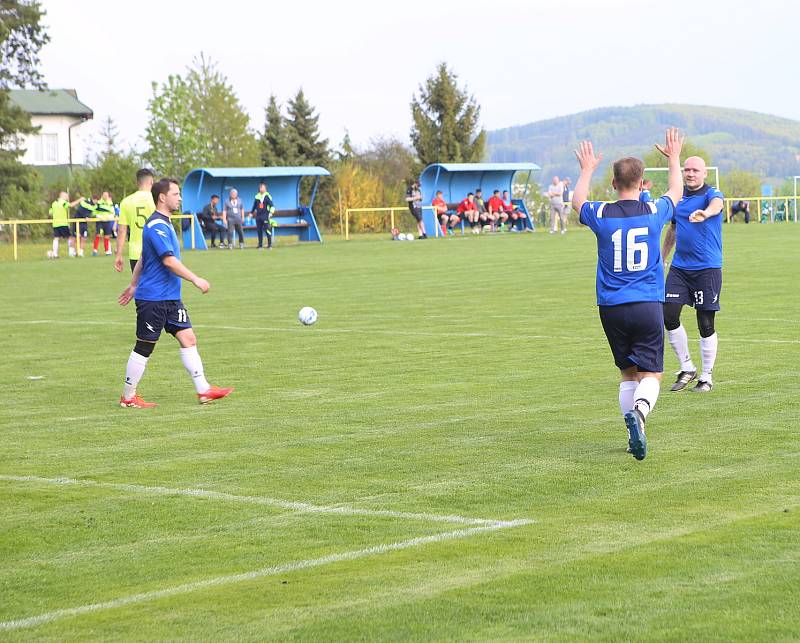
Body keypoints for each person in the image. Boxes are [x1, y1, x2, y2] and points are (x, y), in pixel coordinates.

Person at [571, 128, 684, 461]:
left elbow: (577, 202)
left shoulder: (602, 214)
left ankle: (633, 428)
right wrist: (674, 157)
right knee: (653, 374)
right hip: (647, 303)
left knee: (627, 373)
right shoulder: (654, 212)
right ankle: (640, 414)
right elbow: (676, 190)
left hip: (611, 307)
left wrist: (586, 169)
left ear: (613, 184)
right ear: (643, 182)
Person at [117, 177, 233, 408]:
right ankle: (128, 397)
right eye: (176, 194)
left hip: (170, 298)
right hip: (153, 298)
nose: (180, 198)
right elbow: (168, 261)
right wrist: (195, 279)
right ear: (162, 197)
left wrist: (132, 284)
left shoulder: (165, 223)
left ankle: (204, 390)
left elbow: (142, 258)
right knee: (145, 346)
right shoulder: (156, 226)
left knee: (188, 338)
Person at [661, 155, 725, 393]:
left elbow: (717, 205)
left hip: (707, 268)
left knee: (705, 322)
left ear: (704, 173)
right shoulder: (679, 199)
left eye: (695, 170)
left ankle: (706, 377)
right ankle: (687, 367)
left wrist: (705, 214)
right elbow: (673, 230)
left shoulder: (712, 194)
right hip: (680, 268)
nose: (690, 174)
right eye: (686, 170)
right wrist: (662, 257)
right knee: (668, 314)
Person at [116, 168, 156, 272]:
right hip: (156, 251)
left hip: (135, 253)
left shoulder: (126, 202)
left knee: (138, 286)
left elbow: (122, 230)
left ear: (137, 182)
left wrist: (119, 254)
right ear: (151, 181)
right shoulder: (157, 199)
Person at [48, 191, 80, 258]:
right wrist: (79, 200)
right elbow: (71, 205)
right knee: (69, 238)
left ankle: (55, 254)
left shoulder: (54, 203)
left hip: (55, 224)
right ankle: (71, 253)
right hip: (63, 223)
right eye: (66, 196)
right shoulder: (63, 202)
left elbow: (50, 213)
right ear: (62, 196)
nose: (67, 197)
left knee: (56, 238)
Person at [252, 183, 276, 250]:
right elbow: (254, 206)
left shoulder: (267, 196)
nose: (261, 189)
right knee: (259, 231)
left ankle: (269, 245)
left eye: (262, 187)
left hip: (265, 216)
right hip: (258, 216)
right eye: (260, 188)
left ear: (265, 189)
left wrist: (271, 213)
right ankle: (260, 245)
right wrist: (251, 213)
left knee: (267, 230)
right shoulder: (257, 197)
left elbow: (272, 206)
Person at [93, 192, 115, 256]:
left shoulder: (110, 203)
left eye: (106, 195)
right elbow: (94, 211)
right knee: (98, 235)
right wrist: (98, 216)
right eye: (104, 195)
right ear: (102, 196)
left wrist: (110, 217)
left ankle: (107, 251)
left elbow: (112, 211)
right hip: (100, 221)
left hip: (107, 221)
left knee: (107, 236)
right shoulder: (99, 202)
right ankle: (95, 251)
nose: (105, 197)